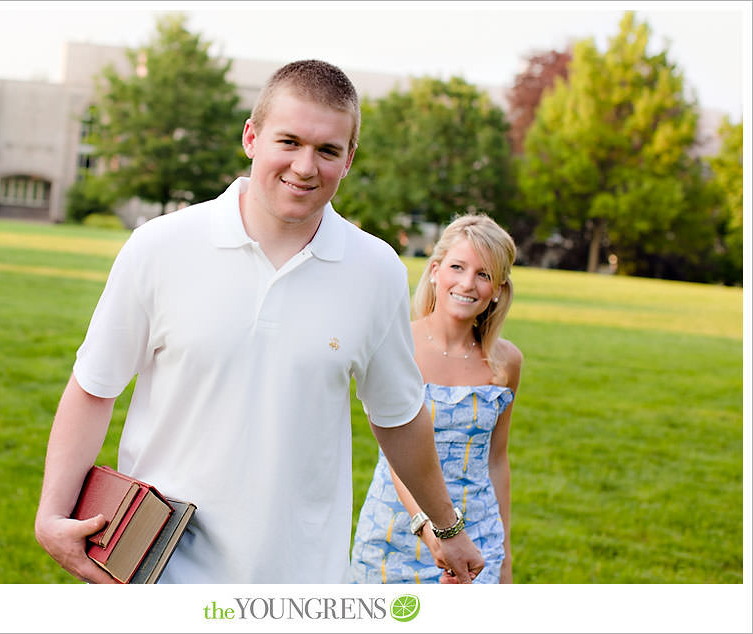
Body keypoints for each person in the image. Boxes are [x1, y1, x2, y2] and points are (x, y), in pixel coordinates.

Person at [34, 59, 485, 584]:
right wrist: (51, 515)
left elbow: (400, 418)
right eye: (288, 142)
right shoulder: (160, 246)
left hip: (301, 583)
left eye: (327, 150)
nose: (305, 166)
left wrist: (447, 529)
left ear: (349, 158)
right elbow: (94, 387)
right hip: (159, 571)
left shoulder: (377, 269)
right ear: (252, 137)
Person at [349, 214, 522, 584]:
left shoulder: (506, 362)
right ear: (435, 271)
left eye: (484, 274)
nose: (467, 283)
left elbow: (497, 460)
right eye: (457, 267)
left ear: (499, 288)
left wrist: (504, 557)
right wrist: (435, 534)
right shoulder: (398, 344)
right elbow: (396, 456)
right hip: (396, 532)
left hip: (479, 540)